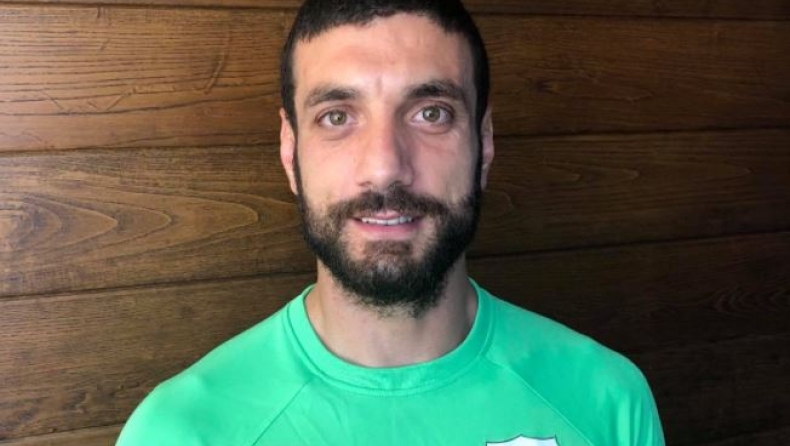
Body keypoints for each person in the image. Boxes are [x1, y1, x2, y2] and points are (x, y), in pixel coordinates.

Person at [117, 1, 665, 445]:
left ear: (484, 143)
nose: (384, 166)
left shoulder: (607, 400)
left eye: (431, 113)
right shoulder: (177, 432)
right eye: (337, 116)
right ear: (290, 152)